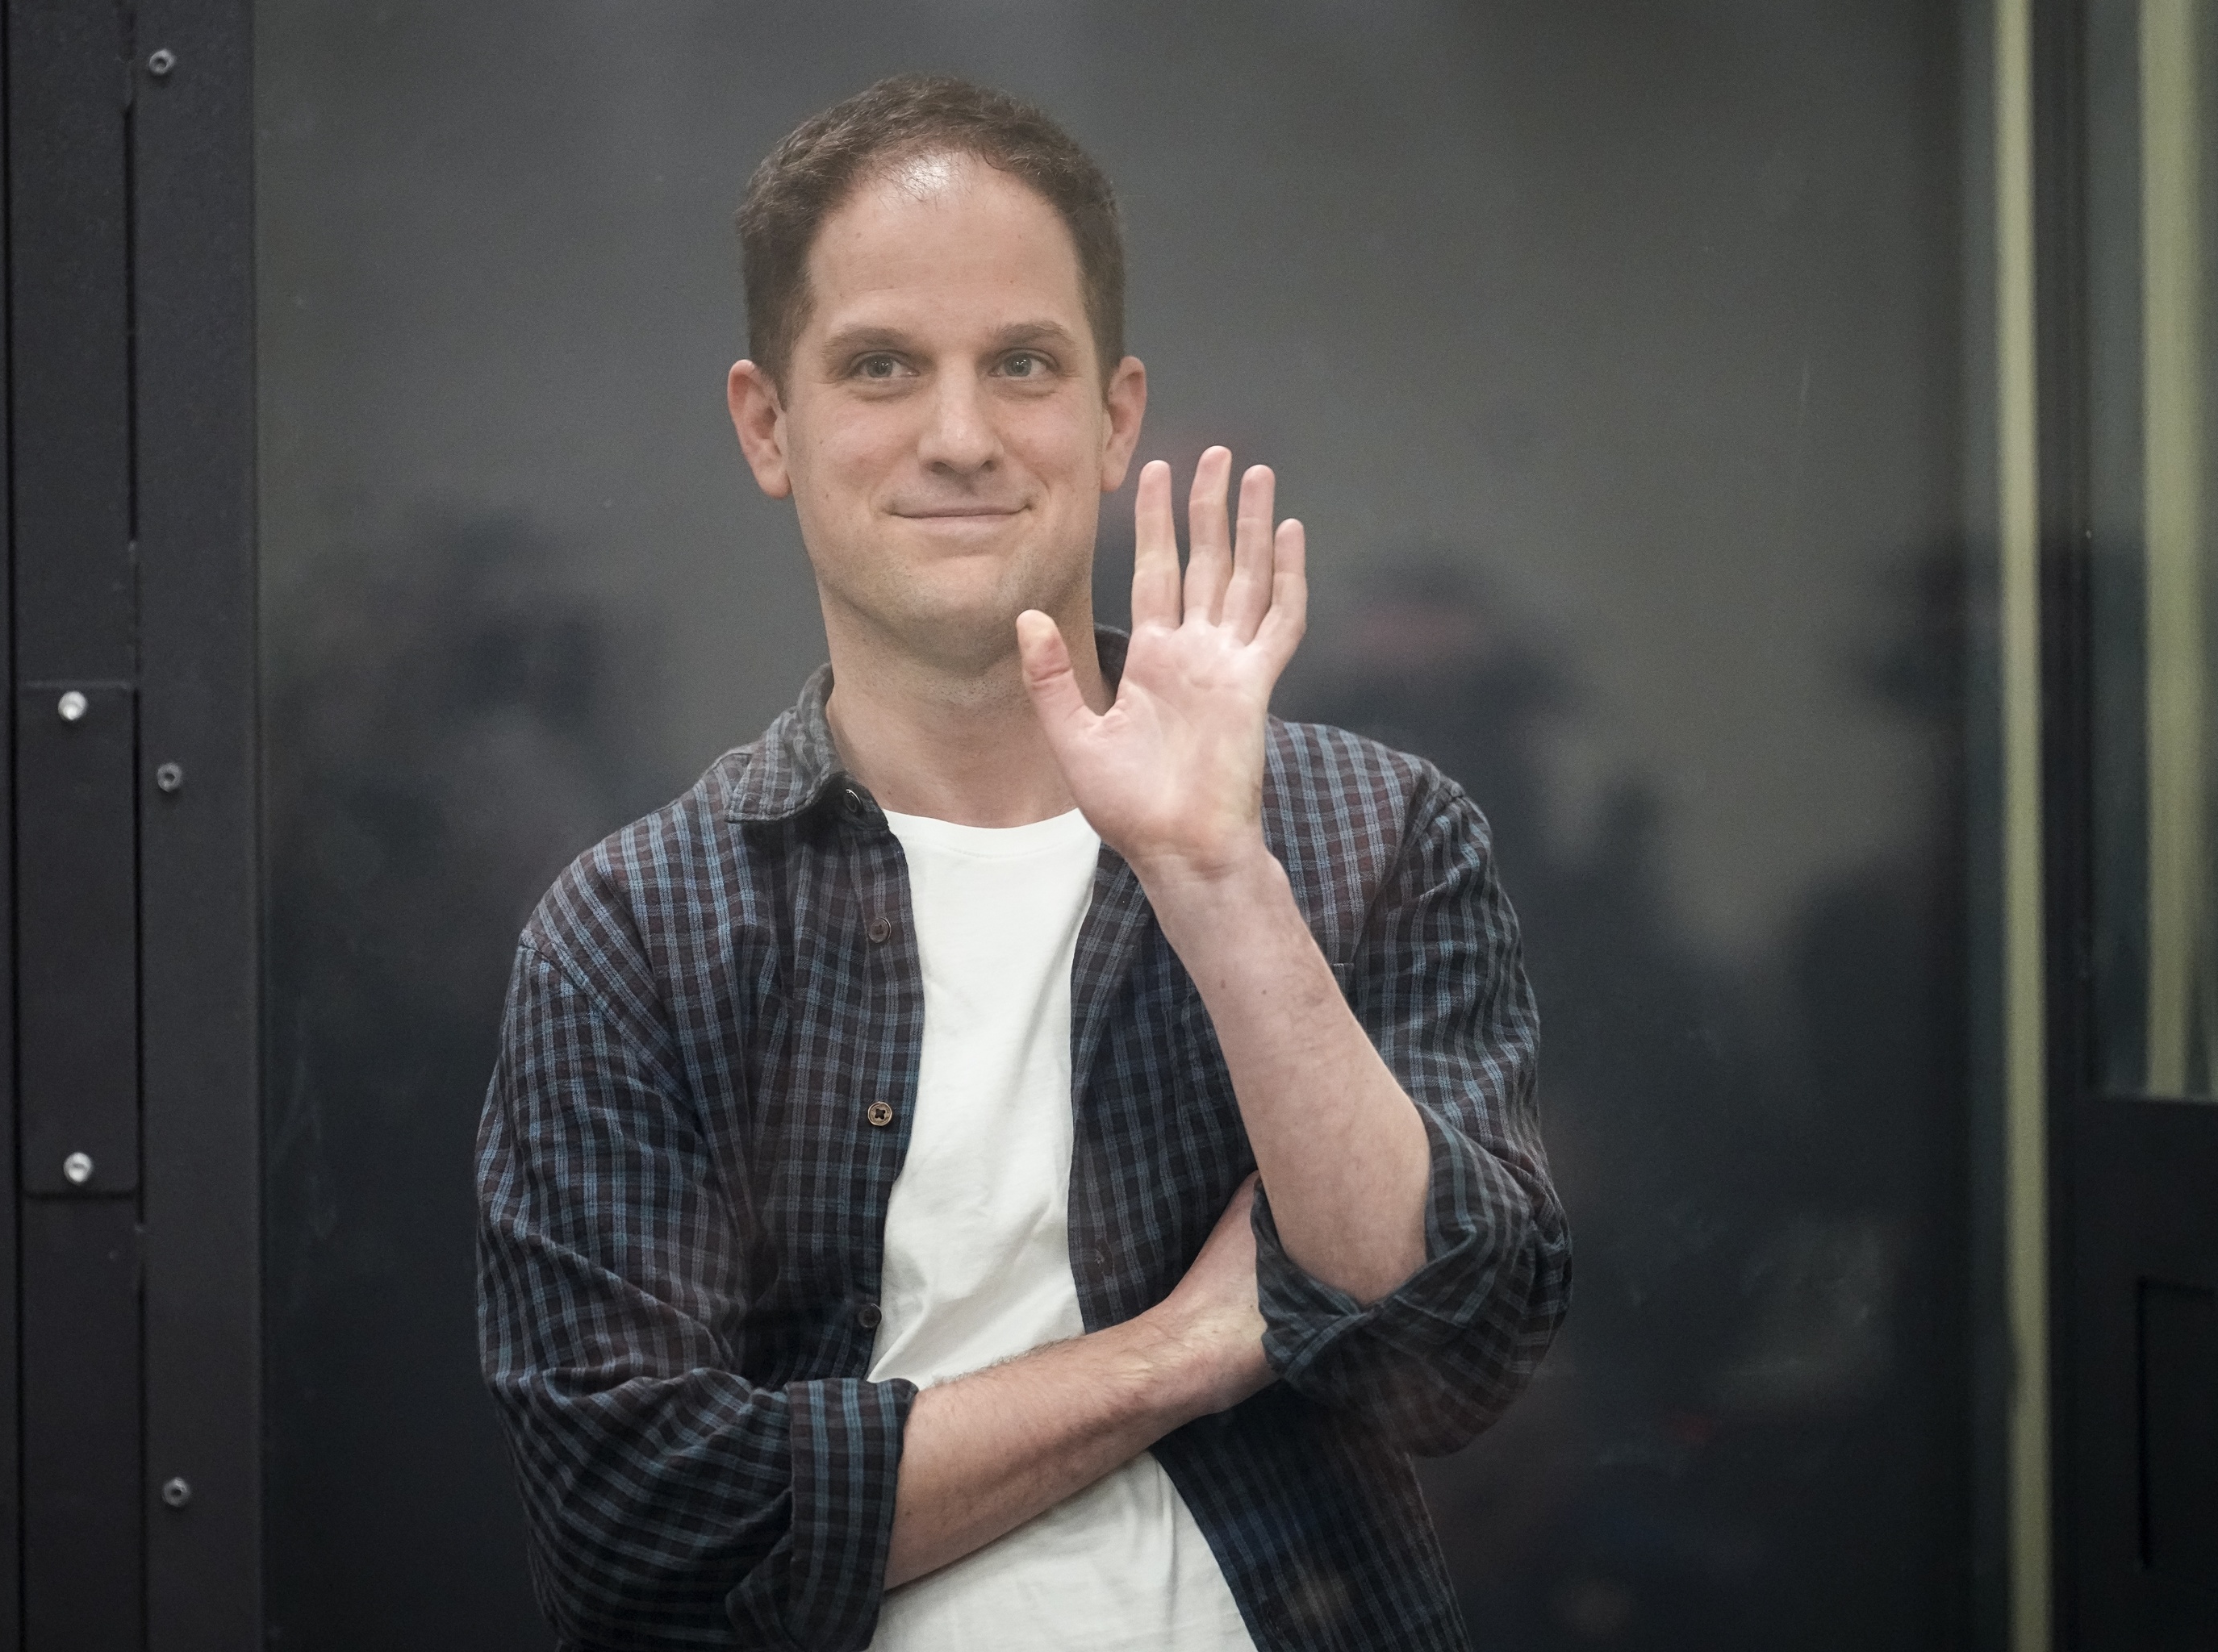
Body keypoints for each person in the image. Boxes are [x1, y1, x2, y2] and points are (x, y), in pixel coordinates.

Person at [475, 73, 1568, 1652]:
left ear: (1116, 416)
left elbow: (1456, 1355)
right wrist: (1187, 1347)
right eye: (879, 366)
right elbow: (636, 1533)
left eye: (1024, 364)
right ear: (767, 425)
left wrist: (1217, 875)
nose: (963, 434)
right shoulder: (639, 931)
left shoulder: (1367, 835)